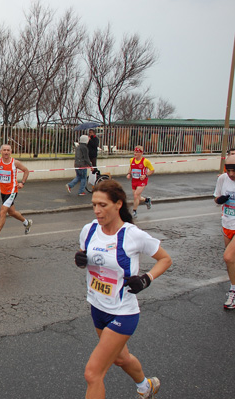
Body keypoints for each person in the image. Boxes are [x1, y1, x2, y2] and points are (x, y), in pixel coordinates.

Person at [74, 180, 172, 399]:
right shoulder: (88, 230)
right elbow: (85, 256)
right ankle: (146, 386)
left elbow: (165, 259)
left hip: (123, 312)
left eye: (103, 205)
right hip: (97, 308)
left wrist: (146, 279)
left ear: (118, 204)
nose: (97, 211)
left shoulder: (132, 234)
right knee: (120, 358)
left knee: (93, 373)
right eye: (94, 205)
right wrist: (80, 259)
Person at [0, 143, 32, 242]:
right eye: (4, 150)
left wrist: (22, 183)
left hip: (12, 191)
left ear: (11, 152)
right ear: (1, 152)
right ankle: (26, 222)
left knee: (3, 211)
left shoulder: (15, 162)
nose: (6, 152)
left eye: (8, 150)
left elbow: (26, 171)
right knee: (12, 212)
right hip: (3, 191)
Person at [214, 154, 235, 309]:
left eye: (234, 170)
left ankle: (233, 292)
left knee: (228, 257)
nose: (231, 174)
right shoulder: (222, 179)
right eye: (229, 170)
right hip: (227, 223)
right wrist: (220, 200)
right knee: (231, 262)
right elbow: (216, 198)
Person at [126, 145, 154, 218]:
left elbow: (152, 170)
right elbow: (131, 167)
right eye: (134, 152)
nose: (135, 154)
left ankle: (134, 211)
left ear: (141, 153)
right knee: (137, 197)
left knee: (135, 195)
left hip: (142, 181)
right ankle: (146, 200)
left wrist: (145, 175)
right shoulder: (132, 160)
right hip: (134, 180)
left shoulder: (145, 161)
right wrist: (129, 174)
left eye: (137, 152)